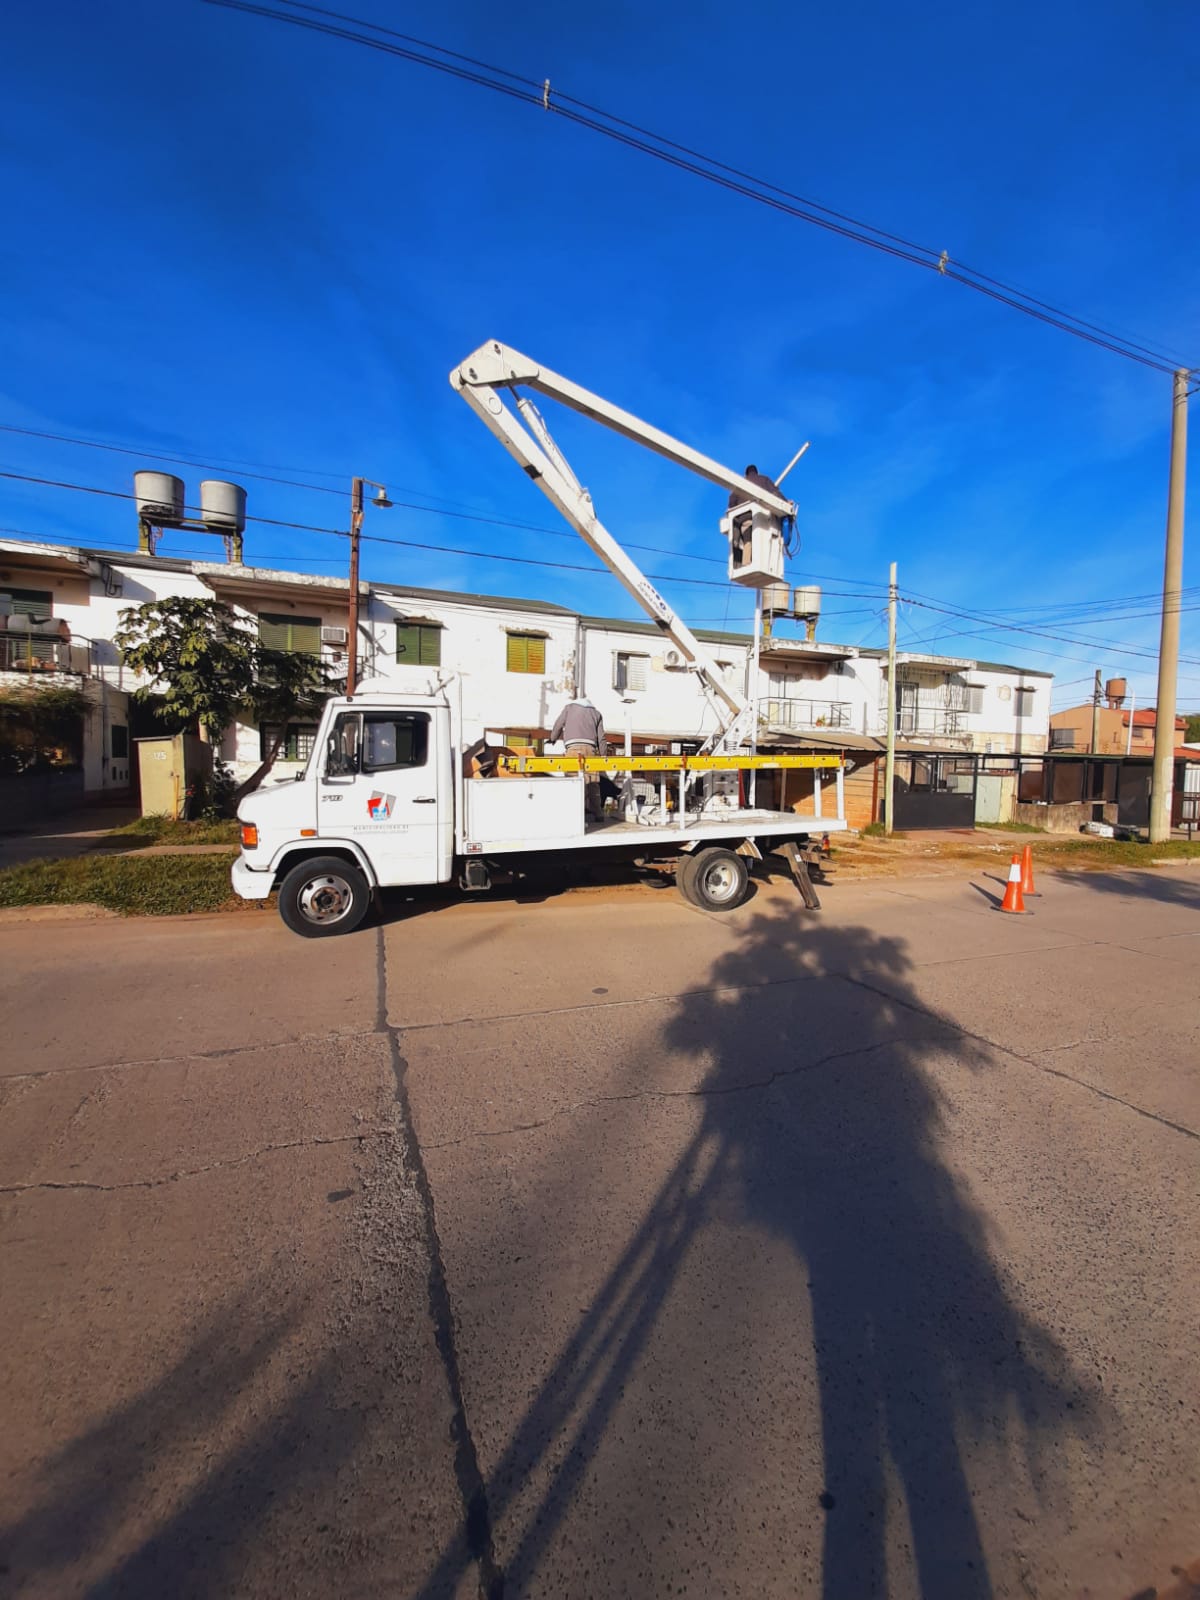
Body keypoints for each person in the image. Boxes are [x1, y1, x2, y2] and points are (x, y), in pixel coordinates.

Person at [550, 694, 608, 821]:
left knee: (572, 782)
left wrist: (553, 738)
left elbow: (558, 725)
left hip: (572, 749)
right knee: (592, 783)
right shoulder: (596, 714)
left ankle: (573, 815)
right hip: (590, 750)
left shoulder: (568, 709)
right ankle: (598, 814)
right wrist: (603, 756)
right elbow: (601, 738)